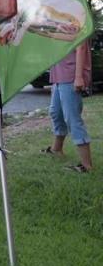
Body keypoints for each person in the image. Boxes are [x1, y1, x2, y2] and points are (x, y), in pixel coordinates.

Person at [43, 40, 94, 172]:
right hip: (59, 76)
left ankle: (86, 165)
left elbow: (81, 47)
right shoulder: (59, 22)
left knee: (72, 118)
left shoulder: (76, 20)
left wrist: (78, 77)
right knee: (56, 113)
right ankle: (56, 149)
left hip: (70, 76)